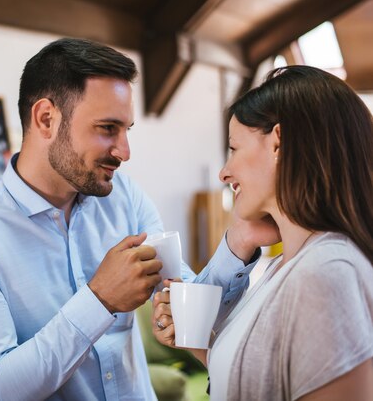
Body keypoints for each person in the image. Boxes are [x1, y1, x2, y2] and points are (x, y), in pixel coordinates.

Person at [0, 37, 265, 401]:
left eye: (127, 130)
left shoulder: (124, 196)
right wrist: (100, 299)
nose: (125, 151)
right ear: (46, 119)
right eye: (108, 128)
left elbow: (182, 296)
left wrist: (238, 244)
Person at [152, 65, 373, 401]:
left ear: (278, 143)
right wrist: (194, 339)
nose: (224, 173)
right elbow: (257, 380)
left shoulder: (326, 272)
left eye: (234, 148)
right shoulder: (286, 266)